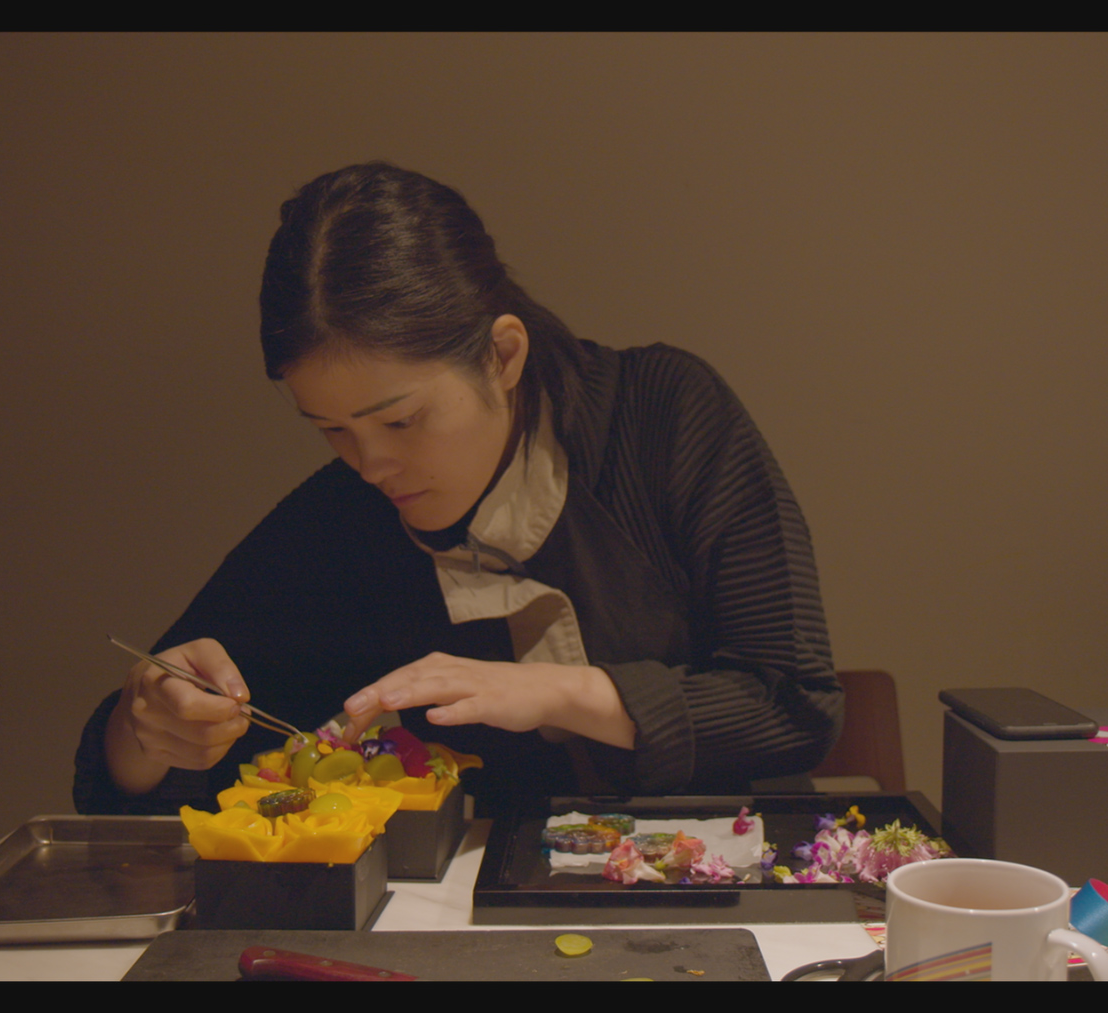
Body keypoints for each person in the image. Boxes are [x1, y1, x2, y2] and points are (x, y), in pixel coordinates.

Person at [73, 162, 841, 817]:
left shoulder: (663, 414)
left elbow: (796, 705)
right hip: (476, 914)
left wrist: (557, 692)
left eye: (402, 420)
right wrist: (148, 731)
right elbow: (119, 788)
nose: (371, 465)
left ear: (503, 355)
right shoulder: (340, 519)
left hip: (738, 885)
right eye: (332, 429)